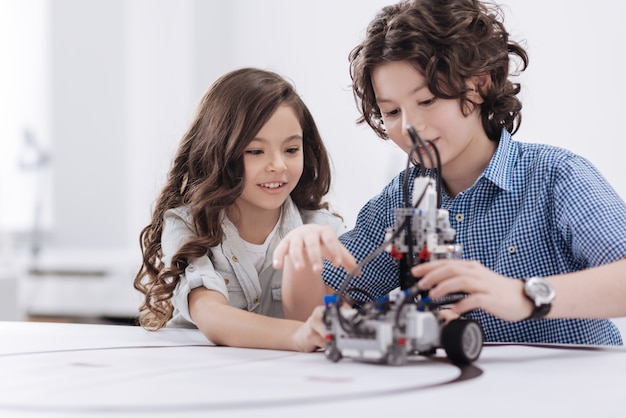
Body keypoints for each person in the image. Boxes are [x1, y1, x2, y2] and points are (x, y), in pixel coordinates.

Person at [273, 0, 626, 345]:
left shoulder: (555, 176)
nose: (410, 126)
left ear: (479, 85)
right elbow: (312, 322)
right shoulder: (401, 199)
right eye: (392, 112)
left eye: (427, 101)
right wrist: (301, 258)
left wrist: (524, 295)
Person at [133, 67, 345, 352]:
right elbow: (211, 314)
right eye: (256, 151)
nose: (279, 166)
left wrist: (305, 267)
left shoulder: (323, 230)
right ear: (219, 153)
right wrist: (296, 336)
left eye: (291, 150)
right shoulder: (187, 225)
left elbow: (317, 322)